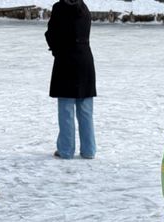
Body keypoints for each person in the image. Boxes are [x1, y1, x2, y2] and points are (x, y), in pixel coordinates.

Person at [45, 0, 96, 160]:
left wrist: (56, 51)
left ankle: (66, 150)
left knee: (66, 110)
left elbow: (51, 34)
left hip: (66, 60)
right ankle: (89, 150)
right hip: (85, 59)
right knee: (85, 109)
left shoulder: (59, 8)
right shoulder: (84, 8)